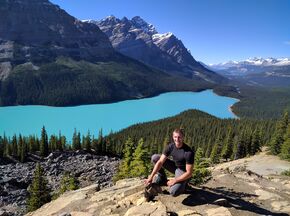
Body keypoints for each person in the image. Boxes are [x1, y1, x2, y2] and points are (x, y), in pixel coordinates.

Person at [144, 128, 194, 196]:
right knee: (155, 157)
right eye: (175, 137)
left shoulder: (188, 152)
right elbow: (160, 162)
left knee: (173, 192)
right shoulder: (171, 147)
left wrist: (175, 180)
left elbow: (189, 173)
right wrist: (151, 176)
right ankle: (162, 178)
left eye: (179, 137)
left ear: (183, 137)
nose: (177, 139)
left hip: (183, 172)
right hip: (174, 167)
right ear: (173, 137)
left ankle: (184, 186)